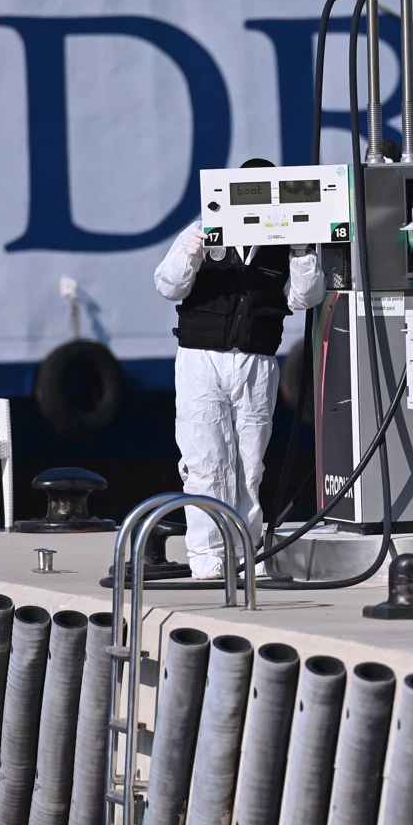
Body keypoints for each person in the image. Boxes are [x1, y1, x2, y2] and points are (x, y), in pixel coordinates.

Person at [155, 158, 326, 578]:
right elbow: (167, 284)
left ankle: (246, 549)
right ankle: (207, 555)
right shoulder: (203, 228)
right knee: (205, 460)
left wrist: (303, 252)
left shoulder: (284, 240)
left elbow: (306, 297)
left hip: (256, 361)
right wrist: (191, 253)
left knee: (250, 463)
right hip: (201, 358)